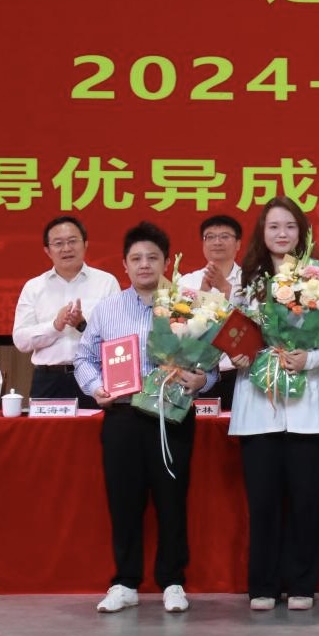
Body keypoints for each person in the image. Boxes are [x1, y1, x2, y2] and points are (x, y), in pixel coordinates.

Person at [74, 222, 213, 614]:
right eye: (136, 258)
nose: (144, 264)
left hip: (171, 416)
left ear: (166, 262)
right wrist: (96, 387)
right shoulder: (108, 309)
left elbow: (209, 361)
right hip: (122, 416)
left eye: (152, 257)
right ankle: (125, 582)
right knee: (123, 501)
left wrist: (201, 380)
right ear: (124, 265)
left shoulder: (188, 307)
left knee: (172, 500)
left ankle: (172, 581)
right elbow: (84, 357)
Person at [227, 197, 319, 612]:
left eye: (290, 226)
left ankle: (302, 584)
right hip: (259, 404)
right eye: (274, 226)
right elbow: (231, 335)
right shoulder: (246, 281)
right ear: (262, 232)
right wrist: (237, 356)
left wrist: (308, 358)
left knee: (305, 501)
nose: (282, 234)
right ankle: (263, 584)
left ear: (302, 233)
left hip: (307, 405)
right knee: (263, 502)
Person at [13, 215, 120, 409]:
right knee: (45, 431)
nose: (66, 248)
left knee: (96, 429)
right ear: (47, 250)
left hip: (95, 380)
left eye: (72, 241)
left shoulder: (107, 283)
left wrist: (83, 325)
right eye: (58, 243)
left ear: (85, 244)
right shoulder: (34, 287)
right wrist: (55, 326)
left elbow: (118, 338)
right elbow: (21, 340)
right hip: (48, 381)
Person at [178, 215, 244, 411]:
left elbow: (252, 326)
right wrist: (203, 294)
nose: (217, 242)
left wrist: (226, 289)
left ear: (238, 244)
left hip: (240, 376)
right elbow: (179, 330)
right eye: (210, 237)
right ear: (203, 243)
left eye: (224, 236)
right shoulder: (186, 282)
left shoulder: (250, 280)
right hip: (197, 377)